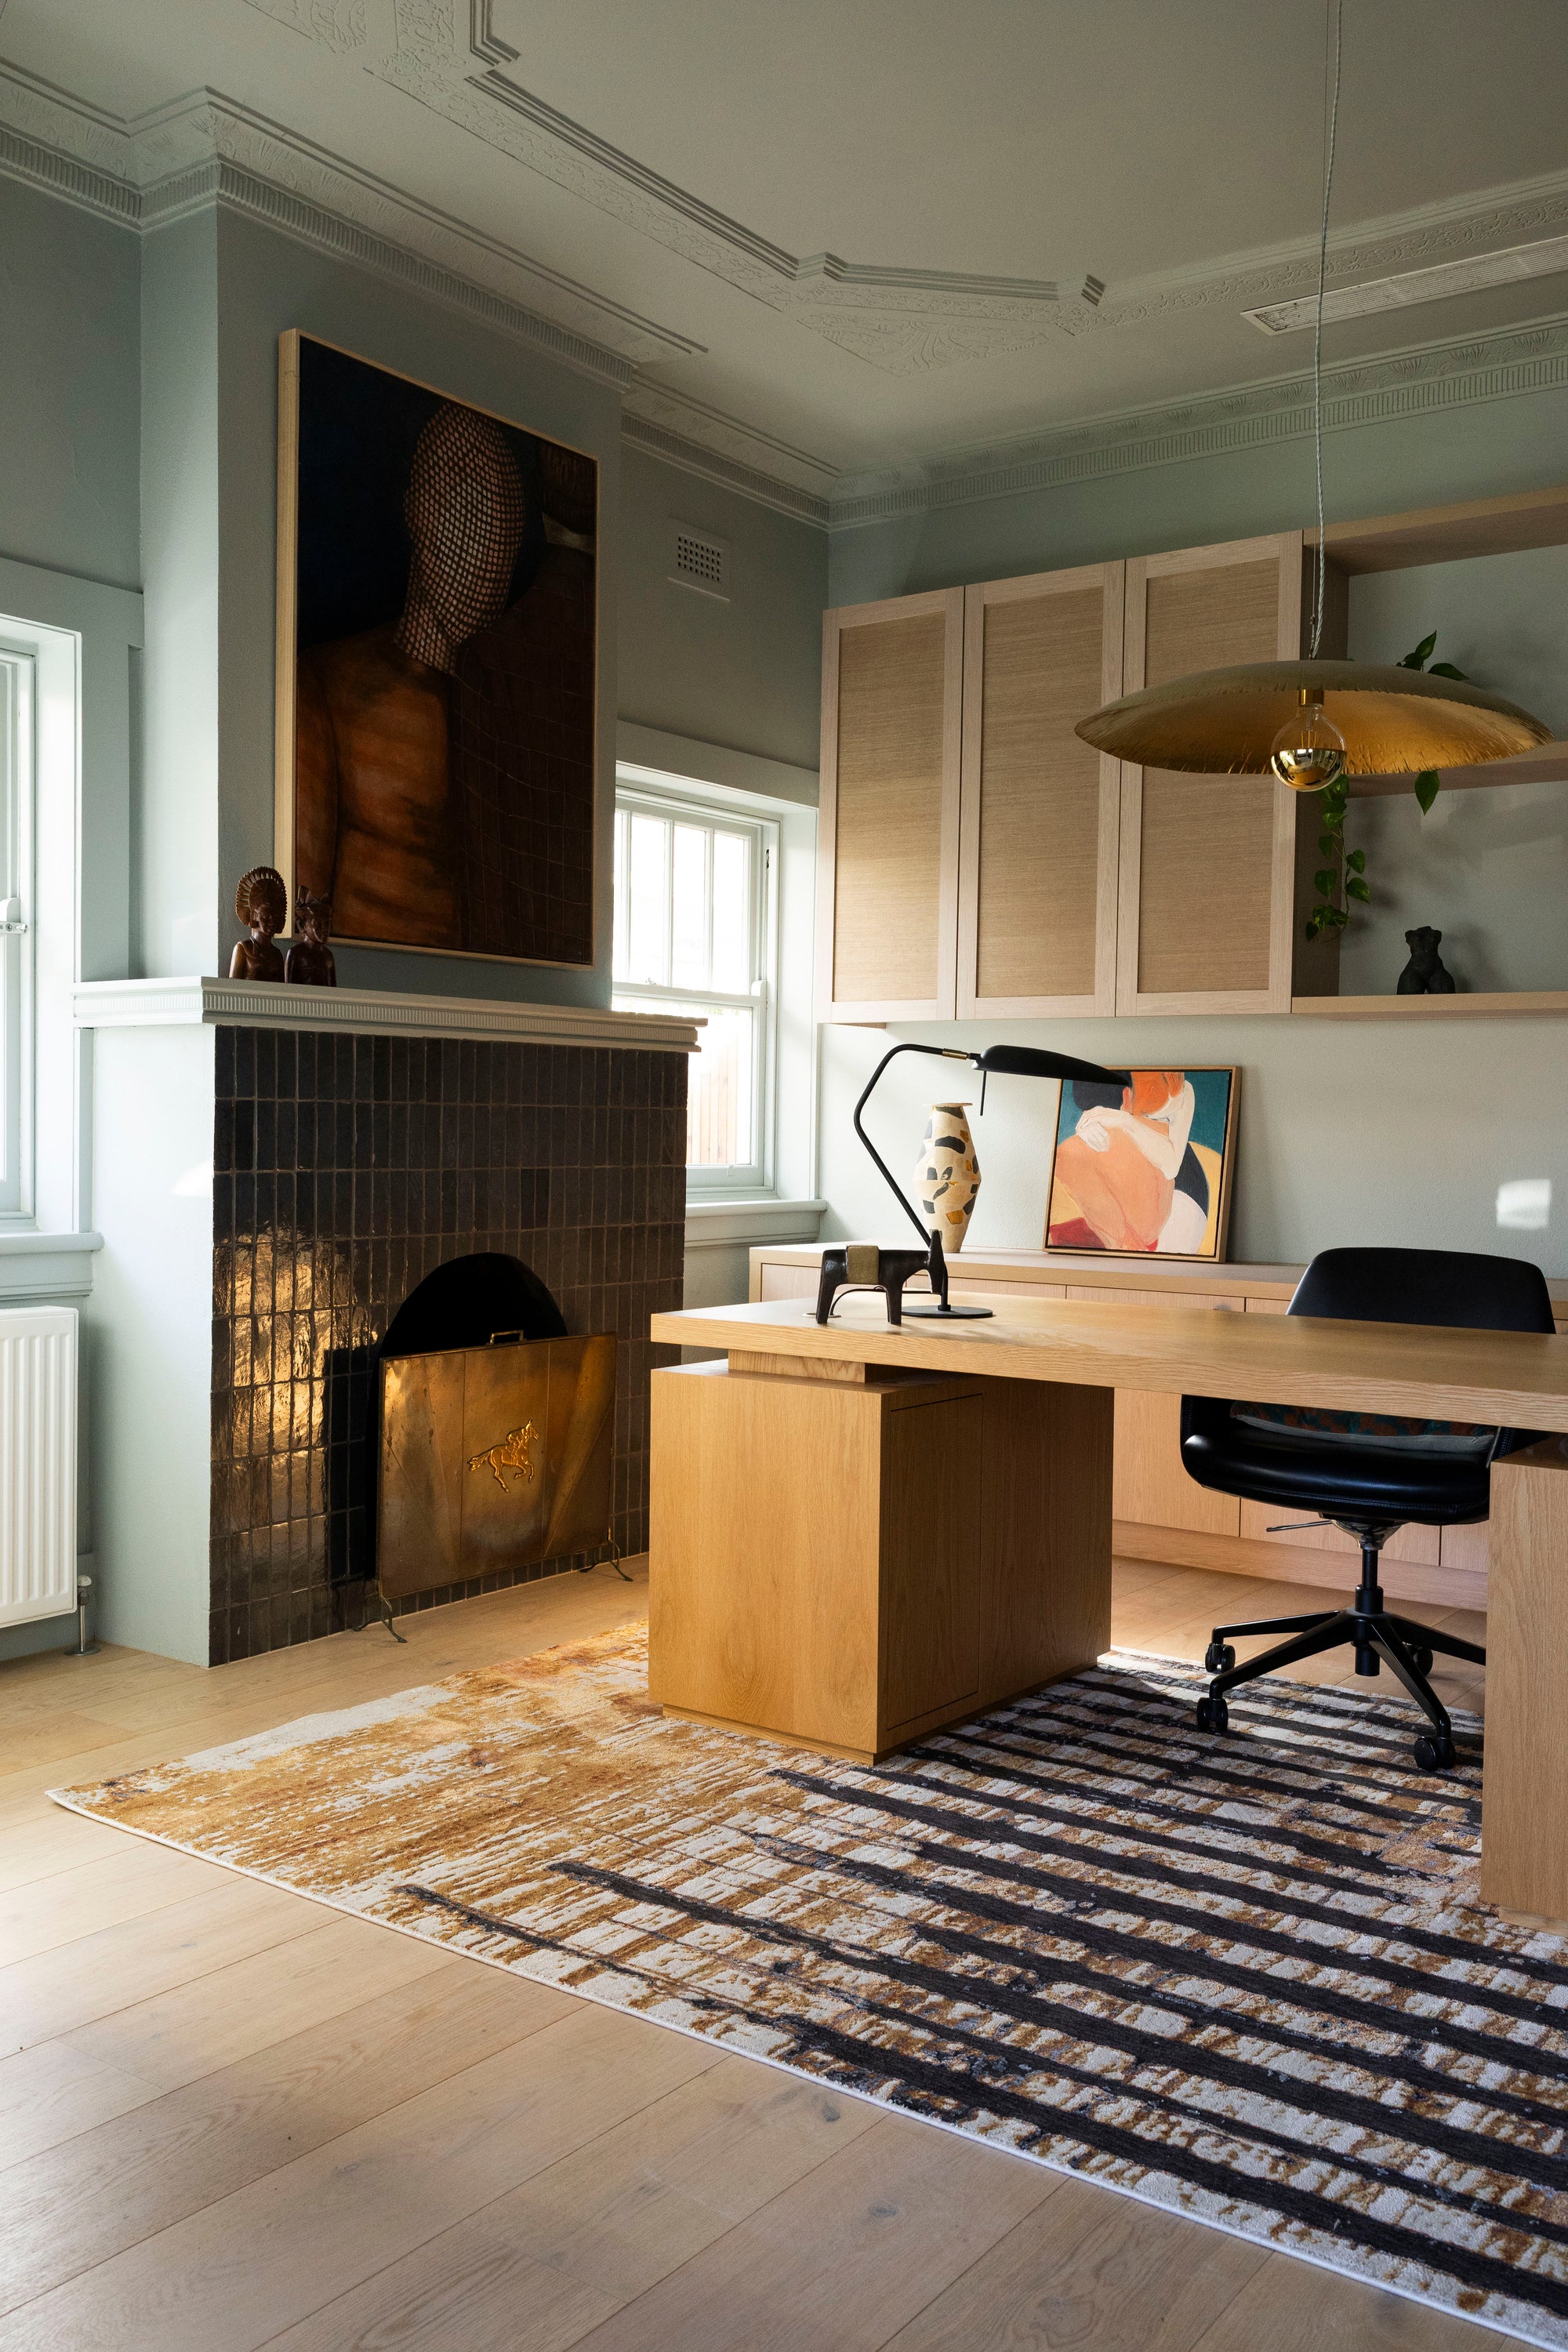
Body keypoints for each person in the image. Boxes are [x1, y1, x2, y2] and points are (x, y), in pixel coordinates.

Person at [293, 403, 527, 950]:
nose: (488, 554)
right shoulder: (328, 691)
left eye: (506, 527)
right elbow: (301, 920)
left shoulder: (507, 715)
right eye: (468, 513)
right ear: (419, 511)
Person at [1051, 1070, 1209, 1254]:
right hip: (1145, 1198)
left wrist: (1124, 1120)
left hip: (1185, 1191)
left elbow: (1172, 1166)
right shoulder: (1120, 1089)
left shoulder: (1179, 1092)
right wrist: (1090, 1124)